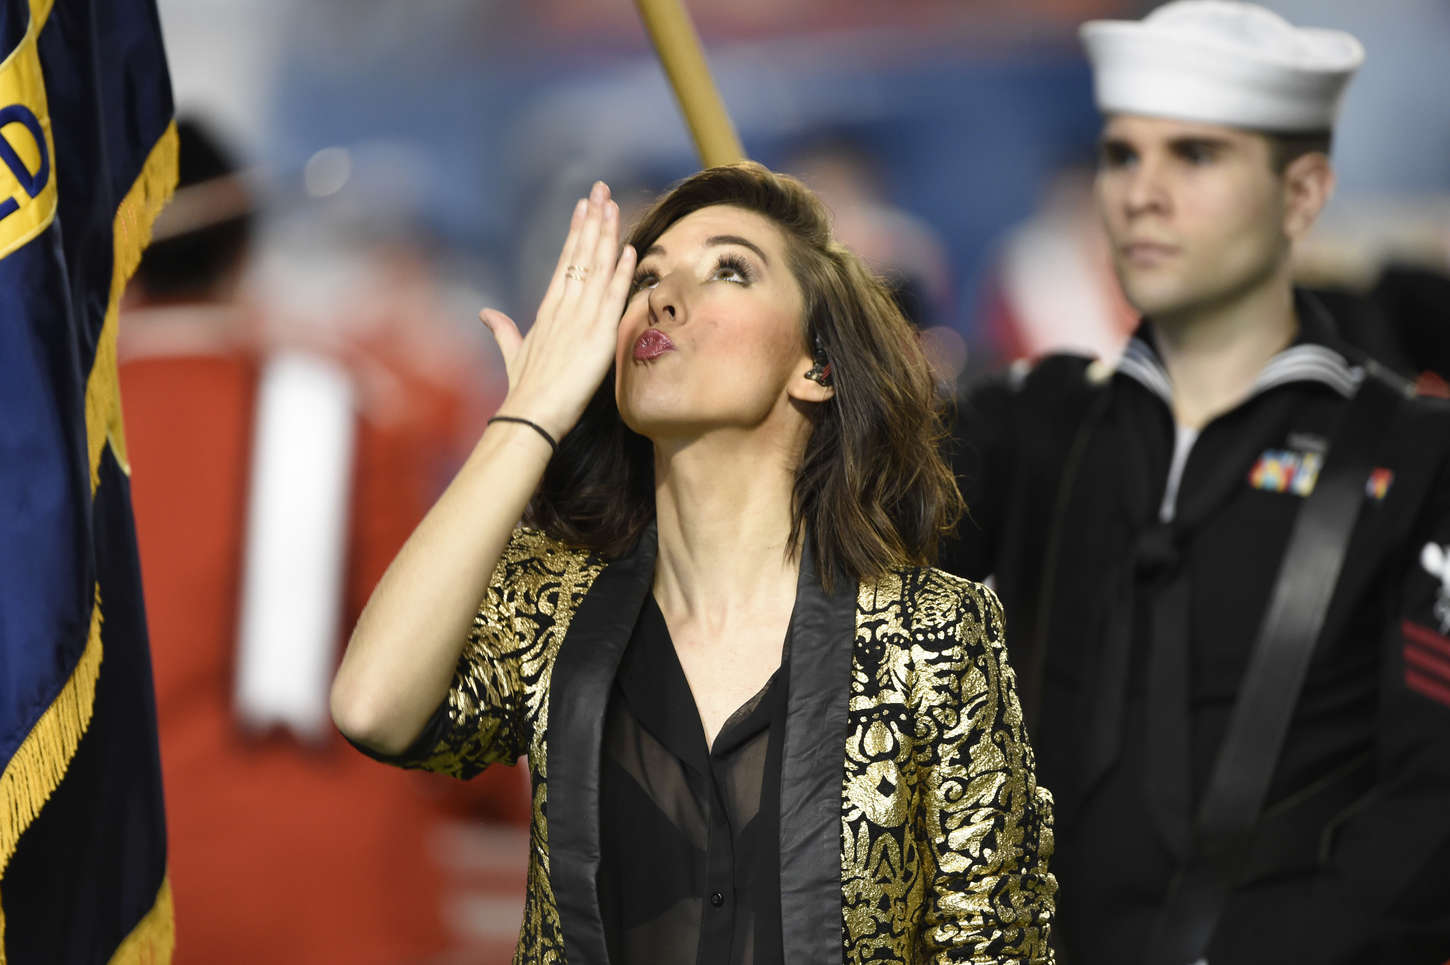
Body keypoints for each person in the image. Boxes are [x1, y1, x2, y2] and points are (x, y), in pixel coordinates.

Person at [332, 163, 1056, 963]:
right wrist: (528, 415)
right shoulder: (558, 600)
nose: (663, 297)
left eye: (729, 269)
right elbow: (373, 708)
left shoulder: (935, 629)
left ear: (817, 365)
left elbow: (994, 943)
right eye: (647, 275)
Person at [940, 3, 1450, 964]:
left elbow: (1432, 813)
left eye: (1196, 157)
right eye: (1123, 156)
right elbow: (820, 552)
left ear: (1302, 192)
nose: (1143, 193)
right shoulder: (1033, 423)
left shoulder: (1419, 457)